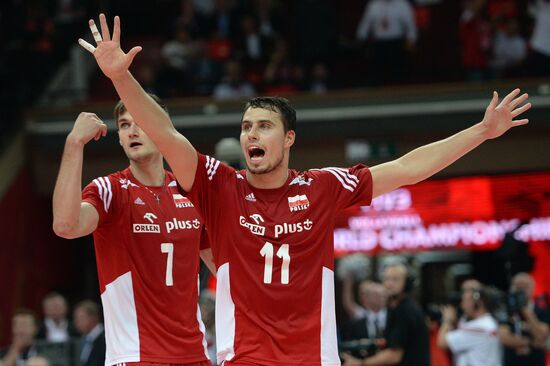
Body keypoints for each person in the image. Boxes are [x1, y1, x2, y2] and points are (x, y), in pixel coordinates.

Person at [78, 13, 531, 365]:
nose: (251, 135)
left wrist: (480, 133)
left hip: (313, 356)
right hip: (245, 358)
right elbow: (166, 133)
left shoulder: (323, 186)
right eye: (246, 127)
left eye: (263, 127)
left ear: (289, 138)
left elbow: (408, 168)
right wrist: (121, 77)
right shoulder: (219, 185)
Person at [52, 94, 216, 365]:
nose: (132, 131)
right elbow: (65, 226)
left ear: (163, 127)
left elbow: (223, 266)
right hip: (134, 356)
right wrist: (74, 144)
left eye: (140, 121)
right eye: (125, 125)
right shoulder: (109, 190)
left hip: (195, 356)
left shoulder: (190, 191)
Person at [342, 262, 430, 366]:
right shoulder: (396, 308)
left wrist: (360, 363)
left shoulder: (405, 310)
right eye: (387, 278)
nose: (389, 283)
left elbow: (394, 355)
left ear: (407, 283)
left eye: (395, 279)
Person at [437, 283, 501, 366]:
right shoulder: (484, 321)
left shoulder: (481, 326)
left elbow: (442, 342)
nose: (462, 305)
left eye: (466, 301)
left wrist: (447, 320)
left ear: (479, 303)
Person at [499, 272, 550, 366]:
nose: (522, 290)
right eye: (518, 286)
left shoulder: (542, 310)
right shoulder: (506, 311)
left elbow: (542, 335)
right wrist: (530, 342)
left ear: (533, 288)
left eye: (525, 286)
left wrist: (525, 311)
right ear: (512, 289)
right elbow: (504, 338)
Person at [73, 300, 106, 366]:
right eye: (75, 318)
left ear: (93, 318)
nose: (76, 322)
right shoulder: (82, 339)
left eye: (81, 318)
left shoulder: (106, 339)